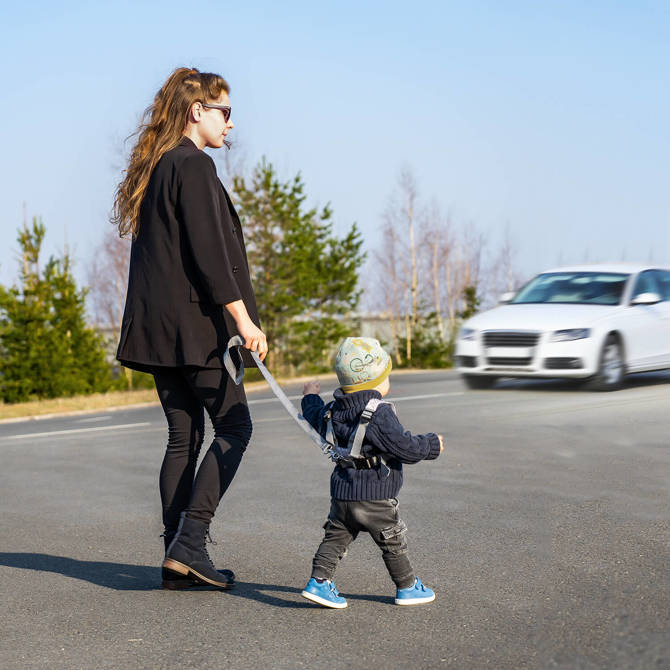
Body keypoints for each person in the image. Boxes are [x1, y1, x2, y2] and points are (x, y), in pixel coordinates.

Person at [112, 67, 267, 590]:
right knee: (235, 427)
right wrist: (244, 319)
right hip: (197, 329)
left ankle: (175, 558)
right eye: (224, 112)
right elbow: (209, 254)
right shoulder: (194, 166)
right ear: (197, 111)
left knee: (184, 436)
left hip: (158, 331)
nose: (230, 123)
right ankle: (190, 543)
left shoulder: (160, 168)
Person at [300, 337, 443, 608]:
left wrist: (309, 395)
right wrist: (431, 444)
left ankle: (318, 582)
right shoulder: (380, 413)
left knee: (335, 537)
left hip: (342, 494)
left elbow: (313, 414)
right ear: (376, 382)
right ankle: (408, 587)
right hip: (375, 495)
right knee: (392, 541)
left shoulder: (332, 411)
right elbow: (405, 448)